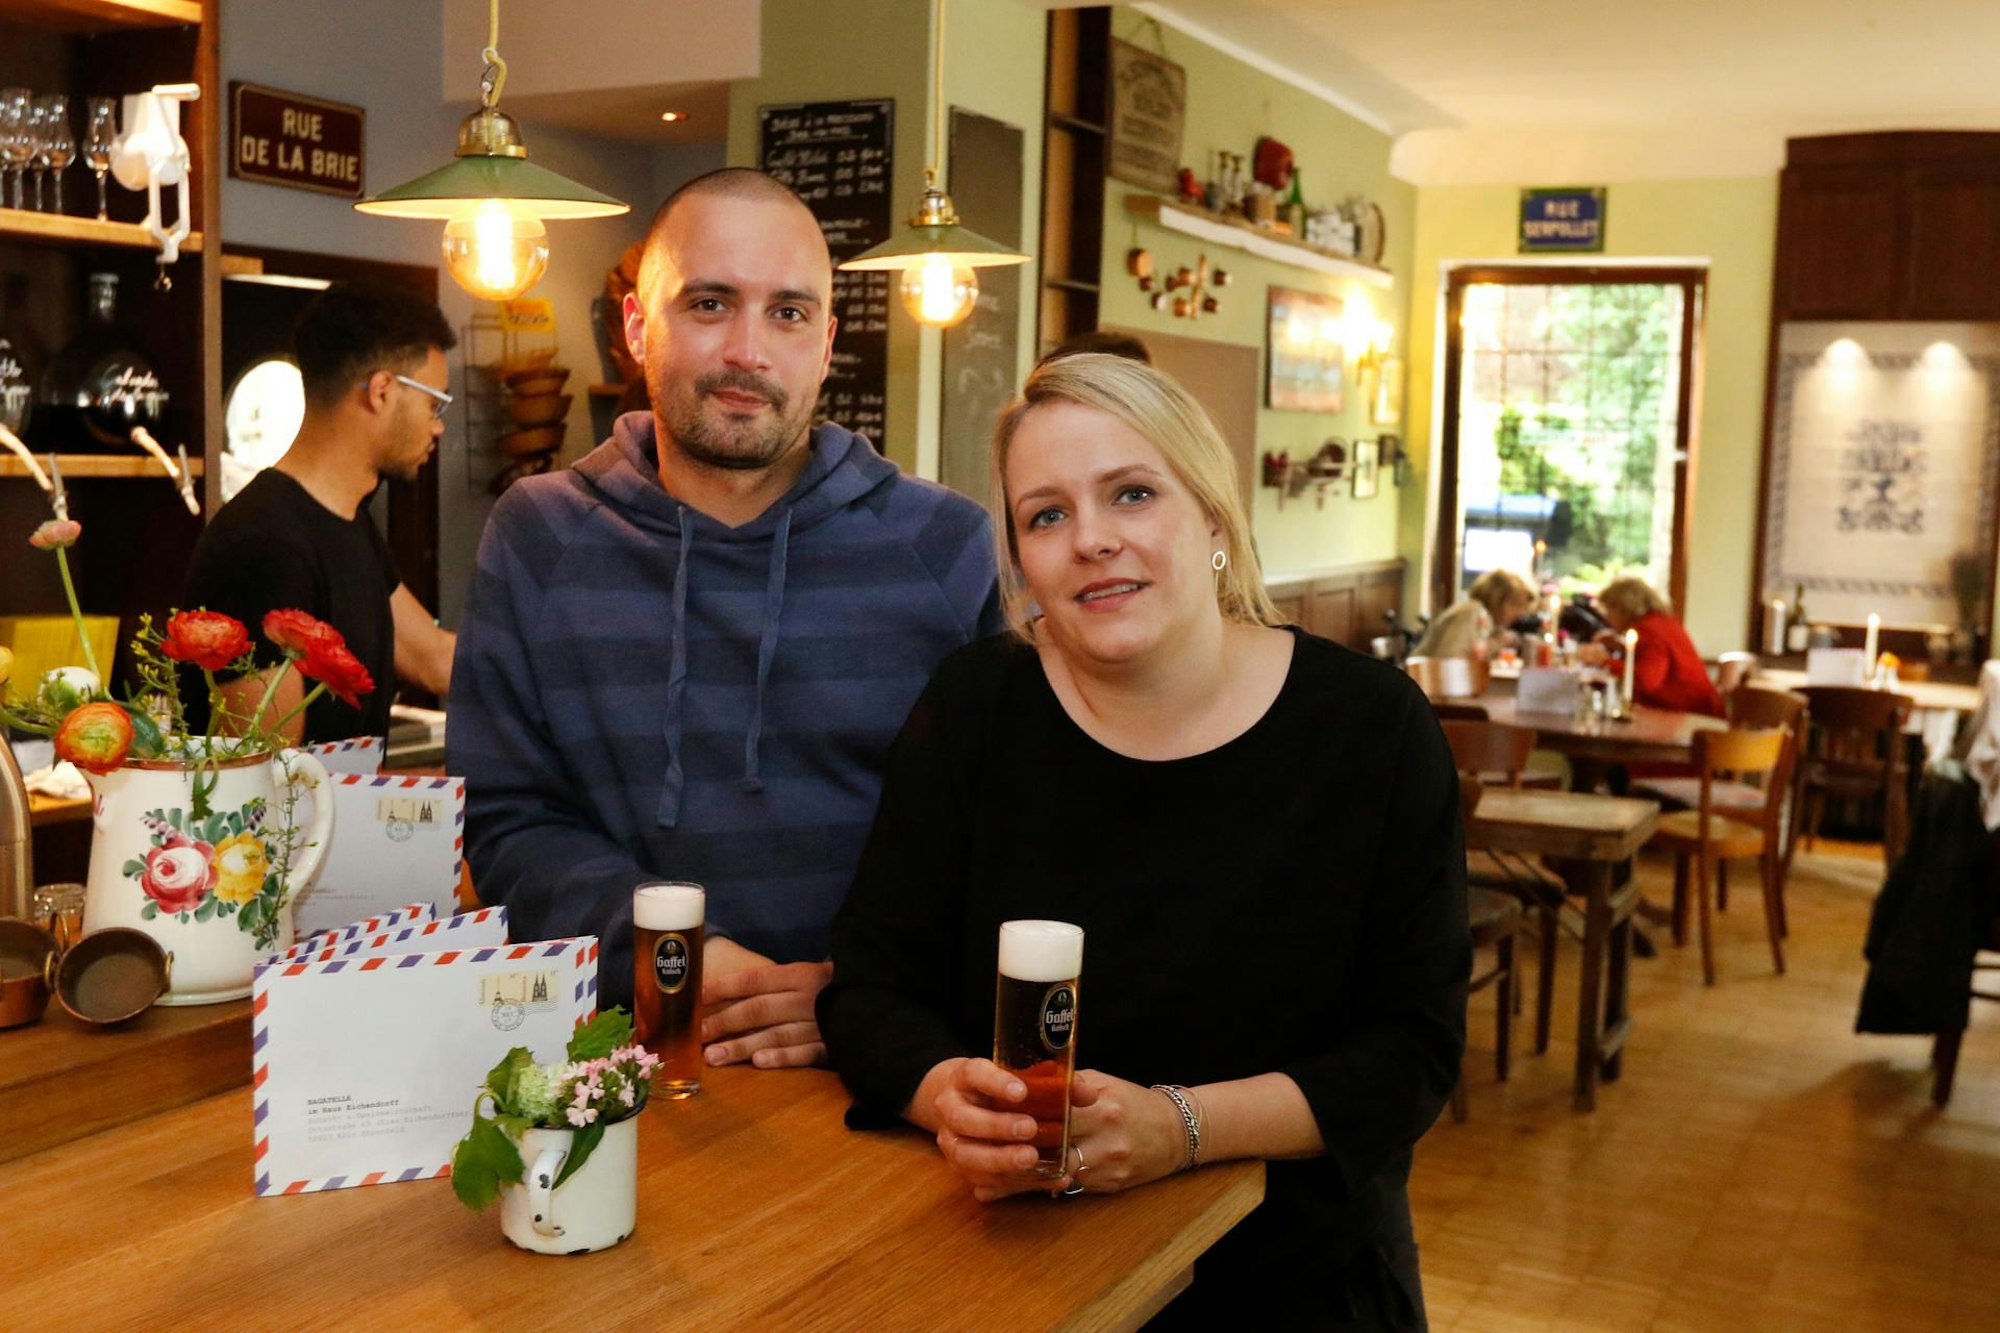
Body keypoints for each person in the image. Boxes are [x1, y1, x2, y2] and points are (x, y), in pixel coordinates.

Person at [819, 353, 1468, 1326]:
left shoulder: (1370, 728)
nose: (1091, 540)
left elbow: (1410, 1054)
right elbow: (868, 988)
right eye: (1045, 515)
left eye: (1130, 493)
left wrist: (1181, 1127)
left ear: (1210, 515)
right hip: (1014, 1273)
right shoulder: (976, 707)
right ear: (1021, 560)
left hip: (1298, 1274)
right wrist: (942, 1093)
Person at [449, 168, 1001, 1069]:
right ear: (638, 326)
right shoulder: (538, 534)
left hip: (889, 1072)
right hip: (618, 1066)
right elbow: (508, 818)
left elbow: (1007, 835)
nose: (750, 349)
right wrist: (675, 957)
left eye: (788, 314)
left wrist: (866, 986)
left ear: (826, 345)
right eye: (710, 303)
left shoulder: (947, 547)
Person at [182, 281, 458, 744]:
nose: (438, 426)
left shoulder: (348, 521)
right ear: (383, 391)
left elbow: (435, 660)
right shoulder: (260, 545)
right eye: (434, 404)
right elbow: (268, 779)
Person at [1582, 576, 1724, 716]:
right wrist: (1620, 646)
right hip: (1696, 710)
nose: (1607, 617)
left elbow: (1647, 680)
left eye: (1609, 610)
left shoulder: (1648, 630)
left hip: (1689, 715)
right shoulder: (1662, 621)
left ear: (1622, 608)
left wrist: (1604, 661)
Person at [1413, 567, 1535, 660]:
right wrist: (1496, 643)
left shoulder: (1482, 617)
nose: (1520, 614)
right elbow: (1449, 663)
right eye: (1516, 605)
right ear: (1496, 599)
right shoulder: (1470, 612)